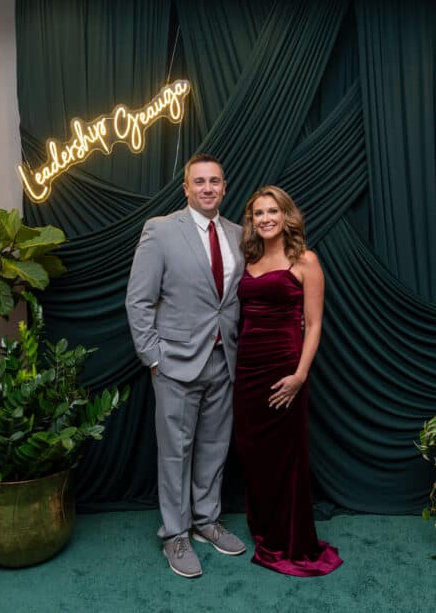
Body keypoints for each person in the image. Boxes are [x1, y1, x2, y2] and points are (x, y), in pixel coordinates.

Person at [125, 153, 246, 578]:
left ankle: (206, 521)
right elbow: (138, 299)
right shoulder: (160, 230)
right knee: (175, 452)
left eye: (215, 181)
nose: (207, 188)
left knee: (215, 446)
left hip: (223, 360)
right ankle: (175, 534)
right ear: (186, 188)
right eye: (200, 181)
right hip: (175, 363)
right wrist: (153, 356)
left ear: (224, 187)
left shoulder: (237, 234)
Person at [233, 185, 342, 576]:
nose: (265, 218)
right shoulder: (249, 258)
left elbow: (314, 324)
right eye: (258, 213)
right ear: (252, 220)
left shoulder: (305, 260)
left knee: (285, 457)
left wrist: (299, 375)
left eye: (272, 211)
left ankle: (290, 539)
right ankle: (266, 529)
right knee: (254, 454)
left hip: (284, 369)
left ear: (286, 216)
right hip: (247, 370)